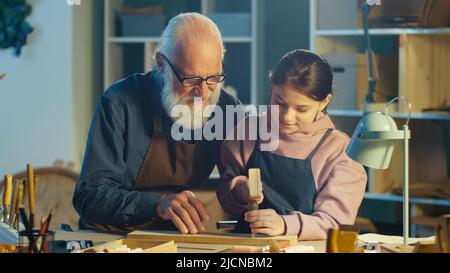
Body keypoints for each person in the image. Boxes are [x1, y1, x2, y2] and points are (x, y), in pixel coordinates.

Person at [73, 13, 241, 234]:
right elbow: (89, 196)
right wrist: (157, 204)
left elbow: (237, 189)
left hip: (172, 237)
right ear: (161, 63)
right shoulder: (119, 102)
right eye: (191, 80)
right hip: (111, 237)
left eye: (213, 78)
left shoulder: (226, 110)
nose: (202, 93)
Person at [217, 49, 367, 240]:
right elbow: (225, 198)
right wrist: (239, 190)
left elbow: (335, 223)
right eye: (279, 102)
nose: (287, 117)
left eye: (301, 109)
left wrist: (285, 224)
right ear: (272, 86)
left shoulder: (339, 151)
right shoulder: (249, 129)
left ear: (324, 102)